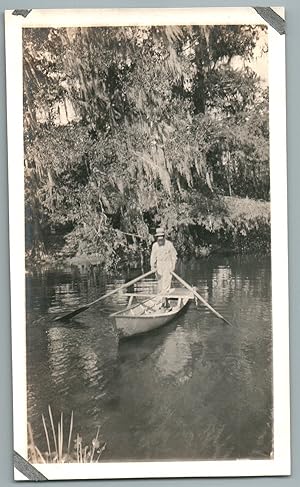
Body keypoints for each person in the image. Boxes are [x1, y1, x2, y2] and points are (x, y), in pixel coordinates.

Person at [150, 227, 177, 295]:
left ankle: (166, 300)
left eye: (161, 237)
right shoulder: (155, 245)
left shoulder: (169, 244)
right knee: (160, 283)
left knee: (166, 283)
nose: (160, 240)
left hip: (168, 265)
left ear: (164, 236)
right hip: (159, 265)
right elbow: (153, 257)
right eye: (158, 238)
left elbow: (174, 256)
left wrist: (173, 266)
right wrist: (152, 266)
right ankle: (161, 298)